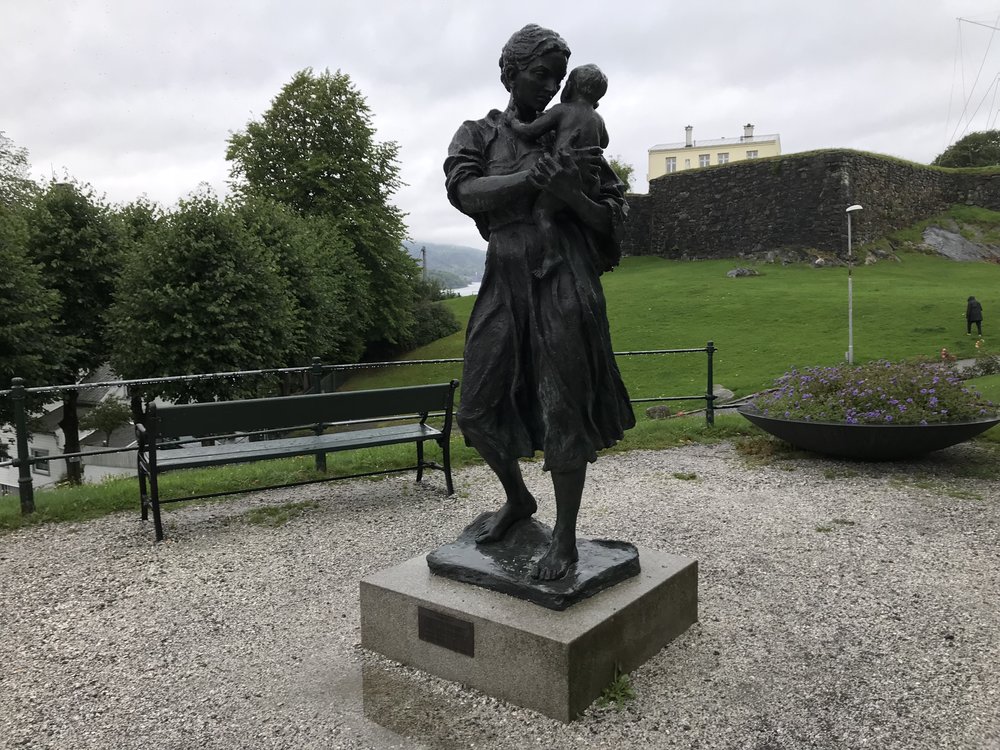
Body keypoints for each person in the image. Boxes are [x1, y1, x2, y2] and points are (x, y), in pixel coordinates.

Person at [443, 24, 634, 581]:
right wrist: (531, 178)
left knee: (562, 411)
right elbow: (463, 191)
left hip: (563, 282)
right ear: (509, 72)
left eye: (557, 76)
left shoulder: (576, 128)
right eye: (539, 74)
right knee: (475, 412)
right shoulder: (478, 133)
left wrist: (572, 194)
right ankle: (519, 500)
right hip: (504, 277)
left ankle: (566, 542)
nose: (550, 86)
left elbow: (614, 218)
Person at [507, 63, 609, 275]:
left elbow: (530, 131)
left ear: (570, 86)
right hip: (591, 182)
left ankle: (552, 254)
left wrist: (513, 122)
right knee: (577, 216)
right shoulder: (598, 119)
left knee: (542, 212)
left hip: (564, 177)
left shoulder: (562, 110)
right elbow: (605, 143)